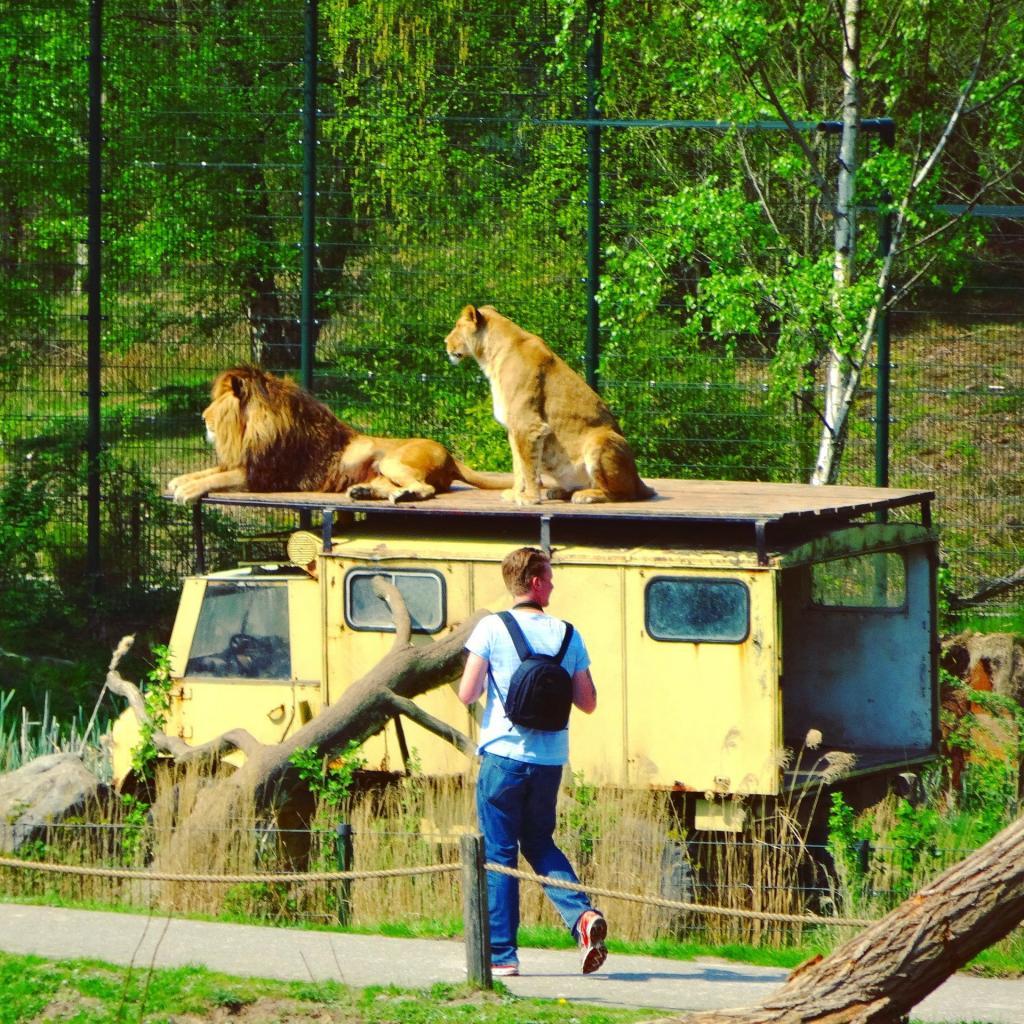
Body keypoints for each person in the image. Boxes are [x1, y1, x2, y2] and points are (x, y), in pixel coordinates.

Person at [458, 546, 608, 977]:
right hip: (549, 761)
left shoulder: (490, 627)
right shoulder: (568, 634)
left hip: (502, 758)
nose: (554, 584)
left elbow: (467, 694)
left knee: (500, 854)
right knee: (539, 842)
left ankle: (502, 956)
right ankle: (581, 917)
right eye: (550, 577)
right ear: (536, 583)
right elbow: (589, 703)